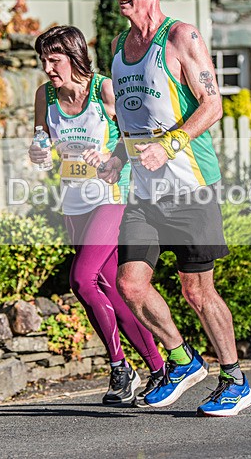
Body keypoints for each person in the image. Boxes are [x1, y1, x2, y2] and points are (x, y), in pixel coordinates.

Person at [97, 0, 251, 417]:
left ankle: (234, 378)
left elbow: (213, 104)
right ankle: (182, 360)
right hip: (146, 192)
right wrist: (117, 158)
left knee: (197, 290)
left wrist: (170, 145)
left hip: (192, 187)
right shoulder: (117, 46)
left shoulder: (182, 37)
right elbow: (132, 122)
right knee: (129, 285)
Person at [28, 25, 164, 405]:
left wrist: (109, 156)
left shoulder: (104, 89)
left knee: (82, 278)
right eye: (43, 60)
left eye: (54, 60)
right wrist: (38, 152)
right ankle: (157, 368)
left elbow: (139, 134)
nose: (48, 67)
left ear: (74, 58)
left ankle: (120, 367)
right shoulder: (45, 96)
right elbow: (40, 138)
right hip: (74, 202)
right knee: (108, 287)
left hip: (111, 196)